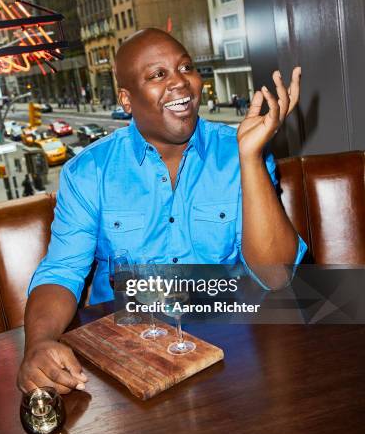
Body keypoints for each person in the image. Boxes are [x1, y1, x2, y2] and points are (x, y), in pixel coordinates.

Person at [17, 27, 306, 395]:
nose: (180, 83)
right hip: (127, 358)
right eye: (158, 75)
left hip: (231, 354)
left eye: (186, 67)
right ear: (126, 98)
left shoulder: (240, 149)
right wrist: (38, 343)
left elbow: (275, 276)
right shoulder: (89, 171)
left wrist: (249, 157)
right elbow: (62, 271)